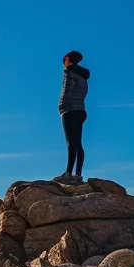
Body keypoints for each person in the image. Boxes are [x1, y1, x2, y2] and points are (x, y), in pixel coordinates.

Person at [57, 50, 89, 182]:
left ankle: (68, 173)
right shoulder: (83, 74)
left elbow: (66, 90)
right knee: (78, 144)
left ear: (68, 60)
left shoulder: (68, 72)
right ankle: (78, 174)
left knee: (71, 143)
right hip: (81, 110)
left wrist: (61, 105)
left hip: (69, 110)